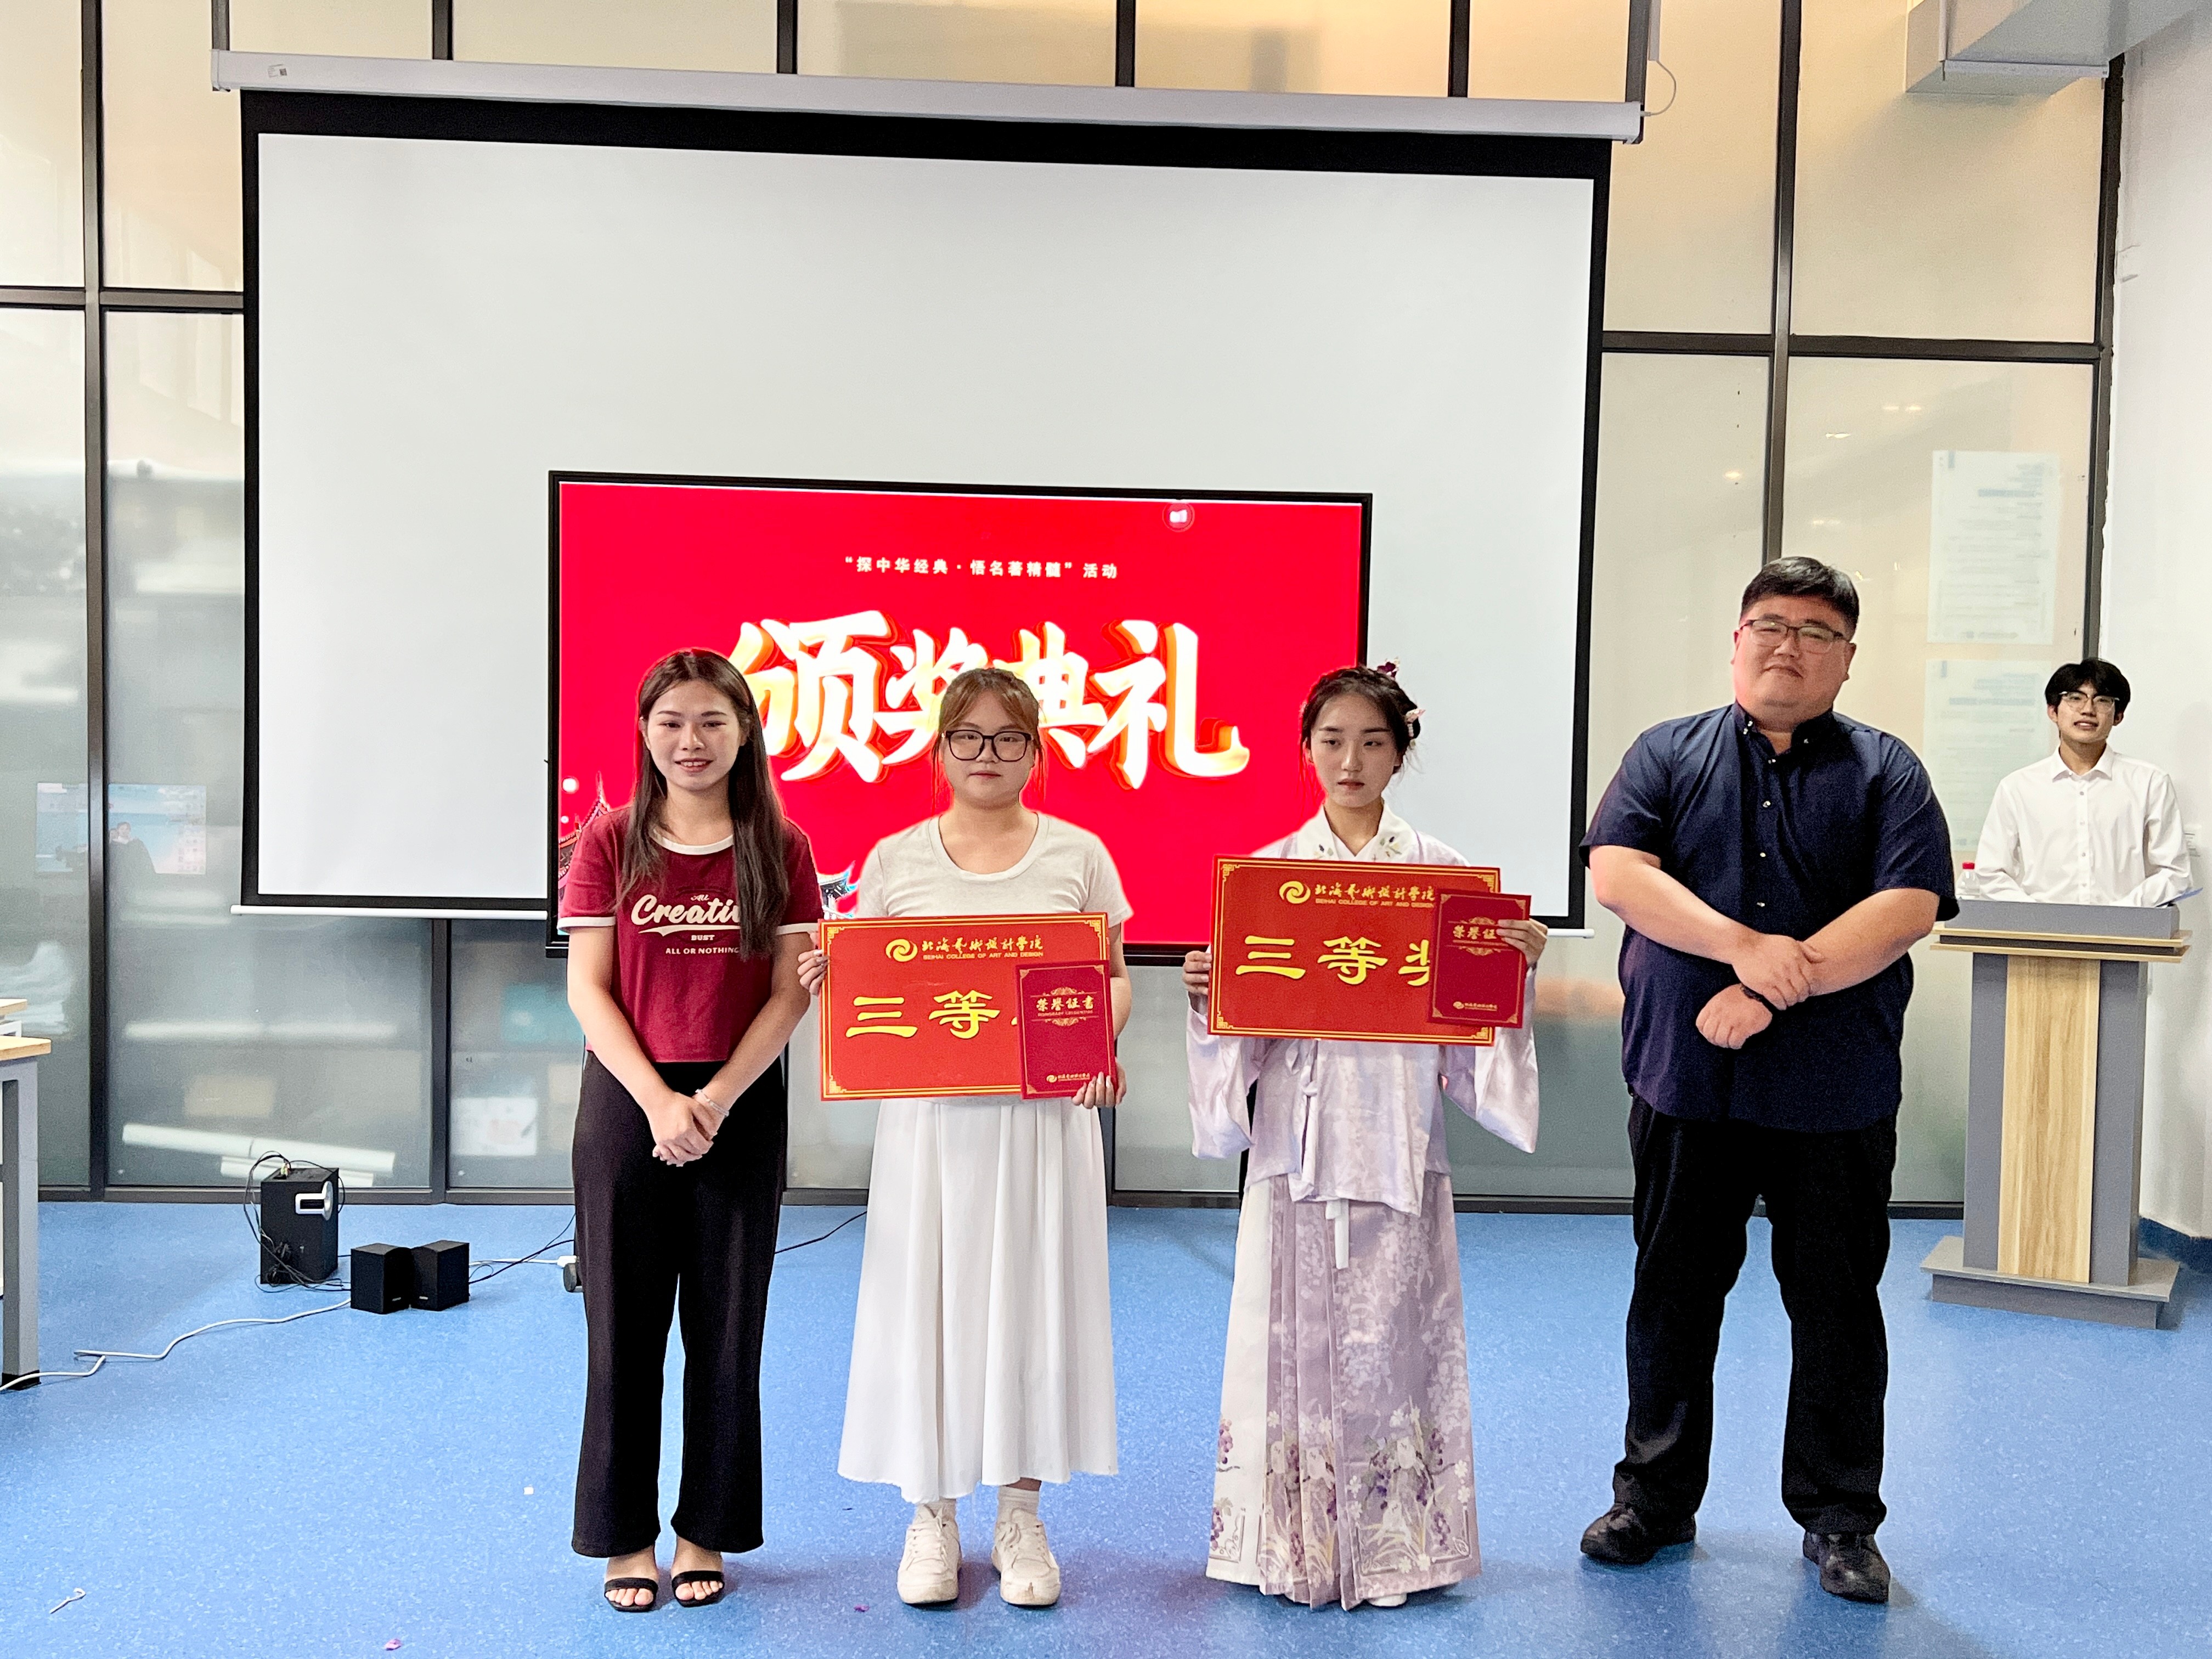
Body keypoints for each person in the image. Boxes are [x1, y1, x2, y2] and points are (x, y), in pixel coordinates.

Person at [1579, 557, 1954, 1605]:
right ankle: (1653, 1498)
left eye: (1816, 632)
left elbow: (1907, 905)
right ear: (1736, 640)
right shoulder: (1665, 752)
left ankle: (1839, 1517)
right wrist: (1742, 946)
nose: (1789, 646)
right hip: (1685, 1076)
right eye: (1770, 625)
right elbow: (1619, 874)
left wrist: (1771, 990)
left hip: (1832, 1089)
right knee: (1671, 1294)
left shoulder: (1886, 770)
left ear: (1846, 658)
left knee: (1835, 1305)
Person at [1181, 664, 1547, 1611]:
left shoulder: (1441, 874)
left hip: (1395, 1136)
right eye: (1332, 740)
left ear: (1399, 754)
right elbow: (1239, 1037)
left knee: (1395, 1335)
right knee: (1289, 1334)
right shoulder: (1266, 876)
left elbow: (1474, 1039)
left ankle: (1393, 1546)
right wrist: (1209, 997)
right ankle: (1291, 1543)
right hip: (1295, 1144)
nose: (1350, 760)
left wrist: (1510, 975)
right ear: (1306, 748)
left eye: (1373, 742)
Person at [798, 665, 1131, 1610]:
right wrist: (831, 979)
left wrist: (1098, 1046)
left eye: (1009, 738)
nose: (988, 754)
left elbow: (1110, 977)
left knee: (1033, 1301)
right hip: (930, 1129)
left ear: (1036, 751)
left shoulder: (1079, 854)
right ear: (940, 747)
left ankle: (1020, 1514)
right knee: (930, 1306)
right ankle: (932, 1513)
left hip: (1041, 1126)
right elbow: (865, 982)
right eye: (968, 737)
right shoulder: (896, 859)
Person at [560, 648, 823, 1613]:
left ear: (745, 730)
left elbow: (792, 991)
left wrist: (711, 1099)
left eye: (713, 720)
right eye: (671, 721)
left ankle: (704, 1528)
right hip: (626, 1102)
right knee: (621, 1331)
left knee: (726, 1331)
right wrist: (660, 1101)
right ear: (645, 730)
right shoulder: (609, 838)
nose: (691, 740)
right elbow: (588, 989)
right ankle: (623, 1535)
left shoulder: (779, 844)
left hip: (738, 1101)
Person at [1973, 659, 2189, 906]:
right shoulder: (2017, 787)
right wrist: (2038, 918)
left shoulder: (2150, 783)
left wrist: (2123, 912)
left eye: (2102, 700)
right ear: (2053, 711)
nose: (2088, 709)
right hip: (2039, 928)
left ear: (2118, 716)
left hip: (2126, 926)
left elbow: (2175, 873)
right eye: (2075, 698)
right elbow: (1991, 872)